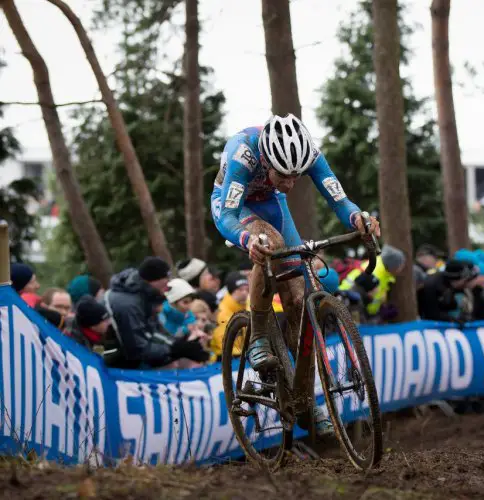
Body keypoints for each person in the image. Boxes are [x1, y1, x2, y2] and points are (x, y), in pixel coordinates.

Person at [211, 114, 380, 435]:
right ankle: (259, 335)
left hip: (272, 205)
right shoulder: (242, 154)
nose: (291, 183)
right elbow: (228, 214)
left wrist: (359, 218)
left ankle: (304, 400)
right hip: (235, 207)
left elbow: (340, 200)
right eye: (283, 175)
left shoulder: (310, 154)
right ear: (266, 160)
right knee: (269, 245)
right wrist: (248, 239)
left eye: (296, 176)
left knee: (299, 301)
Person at [105, 256, 209, 369]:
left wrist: (178, 345)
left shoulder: (144, 296)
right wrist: (174, 350)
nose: (169, 282)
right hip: (116, 362)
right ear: (154, 280)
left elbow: (153, 331)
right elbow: (137, 347)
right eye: (166, 277)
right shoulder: (128, 304)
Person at [210, 271, 251, 359]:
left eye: (247, 289)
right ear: (231, 291)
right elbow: (223, 344)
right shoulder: (222, 313)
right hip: (224, 361)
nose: (244, 293)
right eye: (240, 289)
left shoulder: (247, 308)